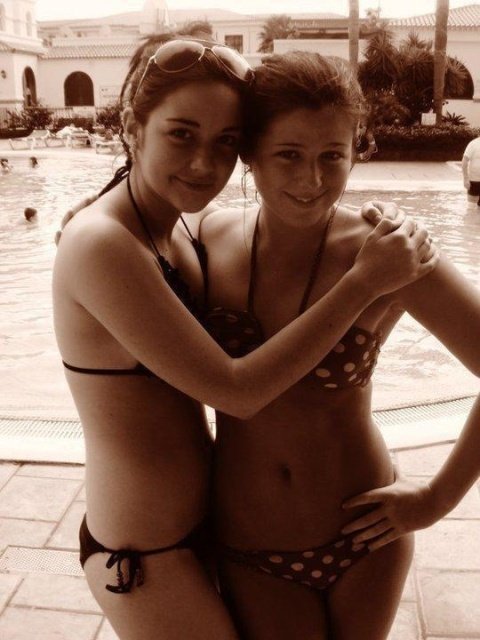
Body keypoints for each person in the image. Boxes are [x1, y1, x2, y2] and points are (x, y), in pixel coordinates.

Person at [53, 36, 435, 639]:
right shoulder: (103, 240)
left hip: (215, 529)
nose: (204, 165)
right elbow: (237, 392)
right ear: (131, 125)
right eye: (182, 134)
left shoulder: (182, 230)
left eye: (225, 142)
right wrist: (362, 283)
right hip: (144, 551)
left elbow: (296, 210)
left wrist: (359, 221)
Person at [197, 51, 480, 640]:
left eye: (333, 155)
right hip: (250, 545)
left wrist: (437, 499)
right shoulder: (206, 239)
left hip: (364, 539)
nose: (312, 181)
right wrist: (91, 211)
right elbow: (131, 235)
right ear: (249, 153)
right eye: (288, 155)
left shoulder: (391, 252)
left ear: (357, 150)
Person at [462, 134, 480, 208]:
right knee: (471, 207)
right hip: (474, 180)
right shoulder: (473, 144)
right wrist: (465, 178)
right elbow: (464, 161)